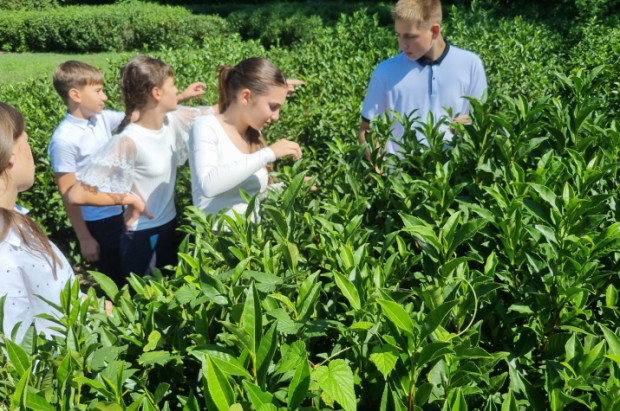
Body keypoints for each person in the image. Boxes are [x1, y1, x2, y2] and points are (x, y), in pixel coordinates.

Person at [49, 60, 207, 284]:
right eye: (98, 91)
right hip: (99, 221)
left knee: (133, 269)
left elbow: (139, 114)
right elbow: (69, 193)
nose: (104, 96)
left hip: (122, 211)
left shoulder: (100, 118)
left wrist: (176, 98)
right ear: (76, 95)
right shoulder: (64, 140)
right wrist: (84, 237)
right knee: (118, 278)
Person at [358, 0, 487, 155]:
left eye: (410, 36)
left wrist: (471, 124)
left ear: (434, 31)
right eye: (398, 35)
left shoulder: (470, 65)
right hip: (400, 177)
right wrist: (379, 174)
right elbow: (367, 130)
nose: (402, 45)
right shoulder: (385, 71)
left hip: (456, 175)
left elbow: (482, 124)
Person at [188, 57, 302, 226]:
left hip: (249, 241)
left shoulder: (253, 134)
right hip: (212, 243)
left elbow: (252, 194)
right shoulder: (206, 126)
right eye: (272, 107)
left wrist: (292, 186)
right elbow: (208, 185)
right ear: (246, 97)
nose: (276, 116)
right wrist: (269, 153)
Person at [0, 101, 77, 342]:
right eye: (27, 141)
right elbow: (15, 348)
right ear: (12, 154)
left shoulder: (16, 219)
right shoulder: (4, 248)